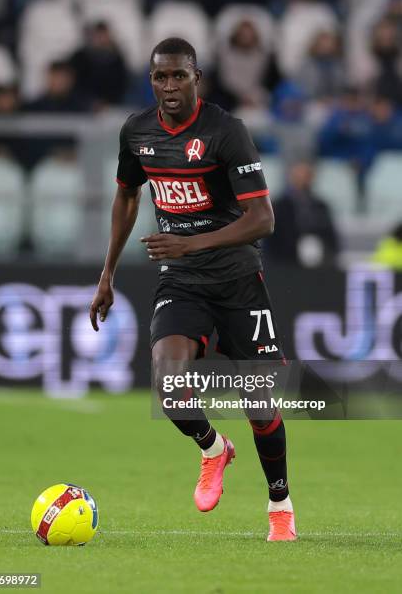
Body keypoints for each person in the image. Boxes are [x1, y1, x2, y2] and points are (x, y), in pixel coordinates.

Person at [90, 38, 296, 542]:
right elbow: (126, 197)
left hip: (238, 278)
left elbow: (262, 219)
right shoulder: (138, 132)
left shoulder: (227, 132)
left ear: (196, 77)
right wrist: (107, 272)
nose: (169, 86)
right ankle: (212, 448)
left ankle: (280, 505)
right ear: (151, 80)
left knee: (261, 406)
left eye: (179, 76)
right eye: (160, 77)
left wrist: (191, 243)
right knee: (167, 382)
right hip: (182, 283)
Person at [265, 160, 339, 267]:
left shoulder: (321, 206)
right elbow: (272, 240)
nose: (302, 180)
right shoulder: (279, 206)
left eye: (306, 176)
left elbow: (331, 237)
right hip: (285, 265)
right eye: (298, 176)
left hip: (318, 265)